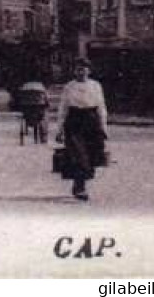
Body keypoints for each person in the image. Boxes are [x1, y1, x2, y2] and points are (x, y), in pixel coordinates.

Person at [55, 58, 109, 202]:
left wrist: (104, 127)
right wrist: (59, 129)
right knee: (77, 155)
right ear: (74, 71)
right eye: (78, 69)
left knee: (91, 155)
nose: (81, 72)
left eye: (84, 69)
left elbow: (101, 107)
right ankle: (80, 187)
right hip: (74, 121)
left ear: (89, 71)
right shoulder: (69, 87)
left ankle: (79, 183)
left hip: (91, 121)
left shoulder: (95, 86)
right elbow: (63, 108)